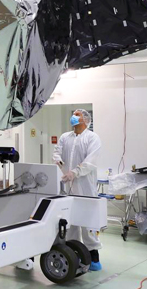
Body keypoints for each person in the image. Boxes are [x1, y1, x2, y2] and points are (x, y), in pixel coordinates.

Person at [53, 108, 104, 271]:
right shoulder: (65, 137)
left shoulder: (92, 138)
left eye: (77, 115)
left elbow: (90, 162)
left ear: (85, 120)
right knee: (70, 223)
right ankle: (74, 255)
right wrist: (61, 166)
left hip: (85, 188)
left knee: (88, 223)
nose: (73, 117)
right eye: (73, 114)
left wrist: (74, 172)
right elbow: (56, 154)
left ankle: (94, 257)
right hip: (67, 187)